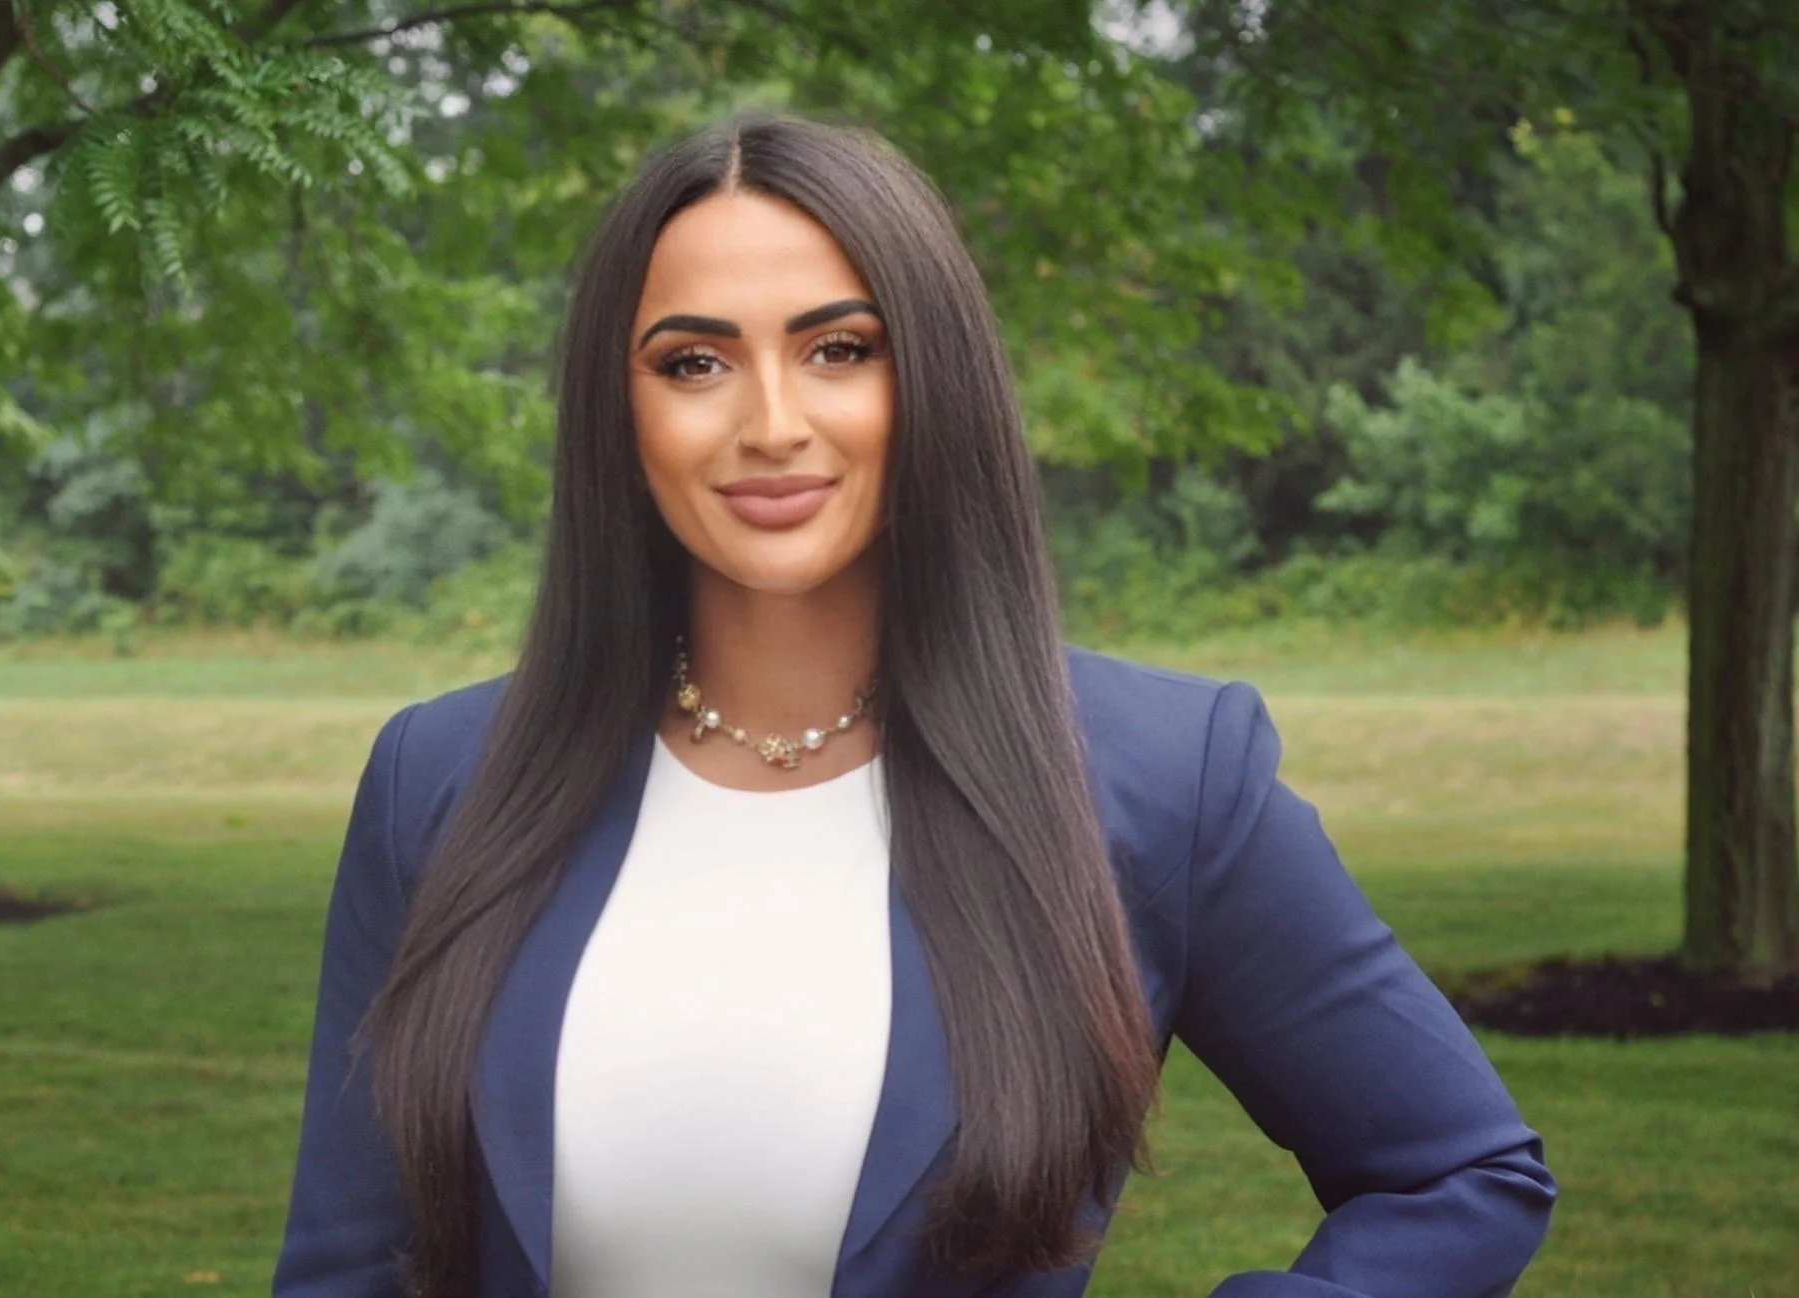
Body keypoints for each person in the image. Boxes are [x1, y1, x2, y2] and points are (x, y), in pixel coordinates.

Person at [271, 111, 1556, 1298]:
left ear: (930, 376)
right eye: (694, 360)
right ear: (622, 408)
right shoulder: (438, 777)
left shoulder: (1164, 773)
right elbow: (345, 1263)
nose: (771, 422)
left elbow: (1458, 1175)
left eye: (840, 348)